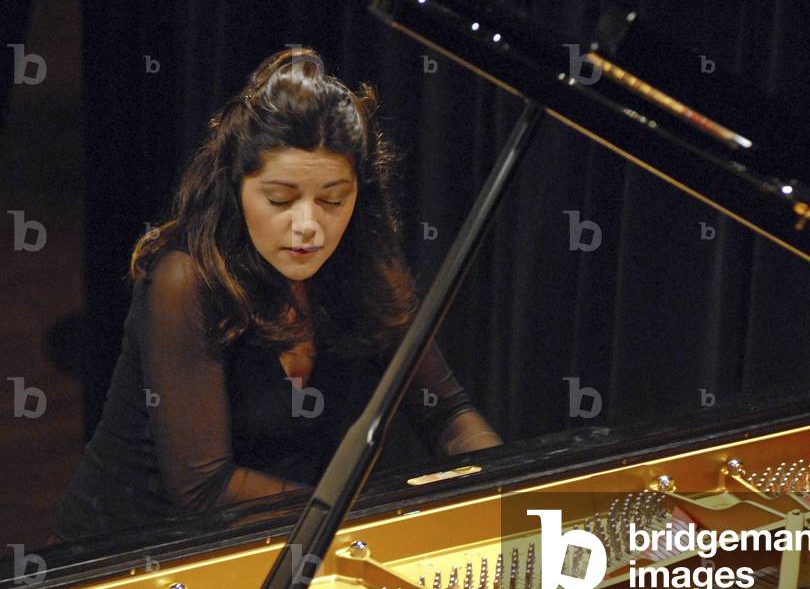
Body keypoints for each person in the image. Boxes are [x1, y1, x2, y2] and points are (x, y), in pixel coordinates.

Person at [52, 47, 502, 541]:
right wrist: (371, 520)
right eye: (280, 200)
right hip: (130, 553)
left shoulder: (361, 270)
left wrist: (510, 490)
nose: (308, 226)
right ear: (236, 186)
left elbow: (446, 414)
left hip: (283, 538)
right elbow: (205, 488)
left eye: (333, 199)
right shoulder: (185, 281)